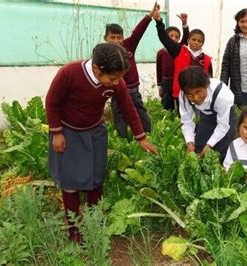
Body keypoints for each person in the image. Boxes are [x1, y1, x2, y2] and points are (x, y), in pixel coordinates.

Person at [45, 43, 158, 243]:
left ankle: (94, 220)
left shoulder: (117, 83)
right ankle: (74, 228)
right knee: (70, 180)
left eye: (120, 78)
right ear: (97, 69)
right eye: (113, 78)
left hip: (95, 132)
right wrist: (57, 132)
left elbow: (128, 108)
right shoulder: (70, 73)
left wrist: (141, 137)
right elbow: (52, 102)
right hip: (69, 132)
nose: (117, 83)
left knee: (96, 177)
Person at [104, 3, 158, 137]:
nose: (116, 41)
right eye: (112, 37)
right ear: (106, 38)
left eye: (119, 37)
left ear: (123, 37)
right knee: (118, 114)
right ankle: (123, 139)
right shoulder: (102, 53)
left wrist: (150, 15)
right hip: (116, 90)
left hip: (132, 90)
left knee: (140, 111)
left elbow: (138, 31)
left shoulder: (129, 45)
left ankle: (150, 134)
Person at [153, 9, 213, 106]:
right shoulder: (179, 51)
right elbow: (164, 38)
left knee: (199, 118)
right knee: (182, 118)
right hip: (181, 93)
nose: (196, 42)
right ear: (188, 40)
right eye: (193, 39)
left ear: (203, 43)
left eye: (199, 41)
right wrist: (159, 22)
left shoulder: (206, 59)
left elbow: (210, 80)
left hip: (199, 95)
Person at [178, 66, 236, 161]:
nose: (195, 98)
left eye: (198, 92)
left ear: (206, 85)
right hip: (207, 116)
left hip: (226, 117)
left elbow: (223, 126)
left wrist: (209, 145)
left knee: (220, 152)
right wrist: (190, 142)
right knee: (199, 148)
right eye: (190, 95)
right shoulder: (183, 95)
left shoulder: (221, 95)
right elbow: (187, 120)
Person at [156, 13, 189, 111]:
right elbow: (159, 70)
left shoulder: (179, 49)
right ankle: (168, 121)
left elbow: (186, 37)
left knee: (181, 104)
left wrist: (184, 24)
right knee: (167, 104)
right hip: (166, 82)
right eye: (171, 36)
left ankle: (180, 119)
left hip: (178, 81)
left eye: (176, 36)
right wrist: (159, 85)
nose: (174, 38)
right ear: (166, 37)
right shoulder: (161, 53)